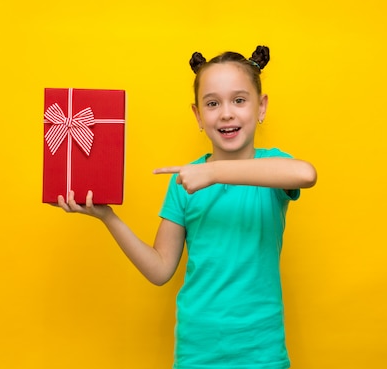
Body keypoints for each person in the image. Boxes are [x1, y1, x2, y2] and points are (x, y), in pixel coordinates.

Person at [57, 45, 317, 369]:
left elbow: (305, 174)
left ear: (261, 107)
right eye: (212, 103)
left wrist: (212, 172)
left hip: (261, 353)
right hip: (197, 354)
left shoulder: (272, 167)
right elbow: (160, 269)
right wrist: (109, 218)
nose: (226, 113)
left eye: (239, 100)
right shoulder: (184, 182)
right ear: (197, 115)